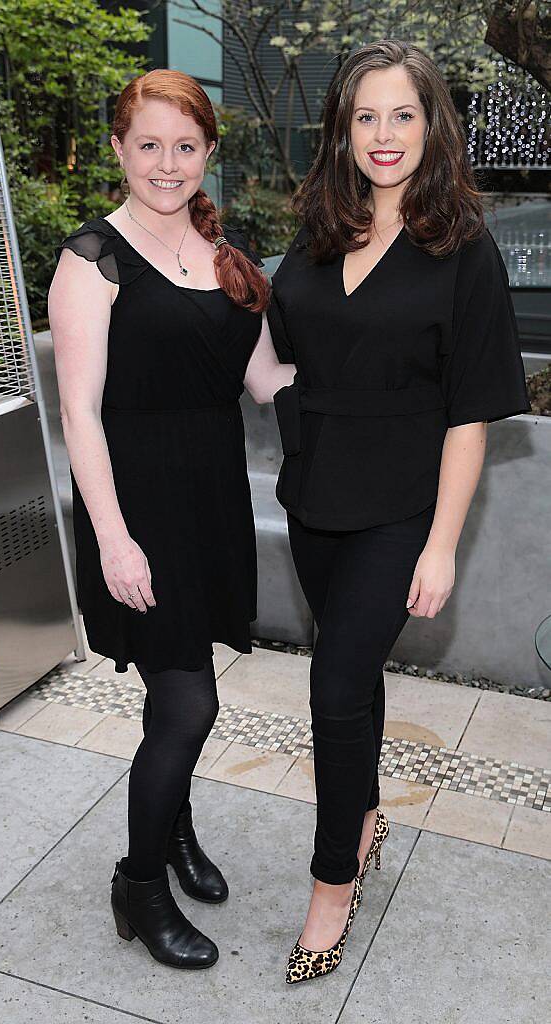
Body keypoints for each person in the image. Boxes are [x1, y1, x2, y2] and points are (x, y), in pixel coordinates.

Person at [266, 39, 531, 984]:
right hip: (315, 494)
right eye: (365, 116)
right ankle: (366, 813)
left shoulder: (460, 246)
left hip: (401, 509)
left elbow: (469, 414)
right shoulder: (317, 229)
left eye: (403, 115)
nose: (384, 135)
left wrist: (443, 545)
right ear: (343, 128)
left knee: (333, 686)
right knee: (354, 672)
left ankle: (333, 880)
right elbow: (285, 346)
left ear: (433, 126)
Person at [48, 68, 294, 971]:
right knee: (189, 704)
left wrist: (371, 382)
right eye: (146, 144)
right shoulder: (92, 259)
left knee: (174, 693)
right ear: (117, 149)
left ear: (207, 155)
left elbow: (264, 380)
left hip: (212, 499)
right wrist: (113, 537)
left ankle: (178, 832)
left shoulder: (227, 255)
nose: (166, 163)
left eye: (184, 146)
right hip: (137, 506)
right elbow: (79, 412)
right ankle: (139, 881)